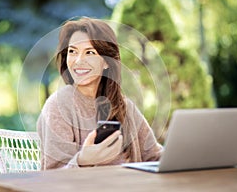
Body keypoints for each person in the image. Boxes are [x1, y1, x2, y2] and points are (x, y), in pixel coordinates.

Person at [37, 17, 163, 170]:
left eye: (89, 52)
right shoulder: (58, 105)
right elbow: (52, 177)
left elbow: (155, 156)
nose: (78, 61)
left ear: (106, 61)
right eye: (72, 51)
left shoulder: (125, 106)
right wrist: (83, 160)